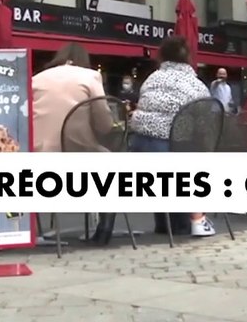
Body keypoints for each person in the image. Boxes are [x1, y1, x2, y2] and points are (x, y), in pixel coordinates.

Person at [128, 35, 216, 237]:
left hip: (139, 149)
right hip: (172, 152)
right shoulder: (196, 85)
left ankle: (165, 224)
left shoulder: (151, 79)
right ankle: (195, 220)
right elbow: (205, 124)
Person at [31, 43, 111, 153]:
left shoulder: (36, 79)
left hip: (38, 150)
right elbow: (104, 125)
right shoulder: (90, 76)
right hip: (76, 149)